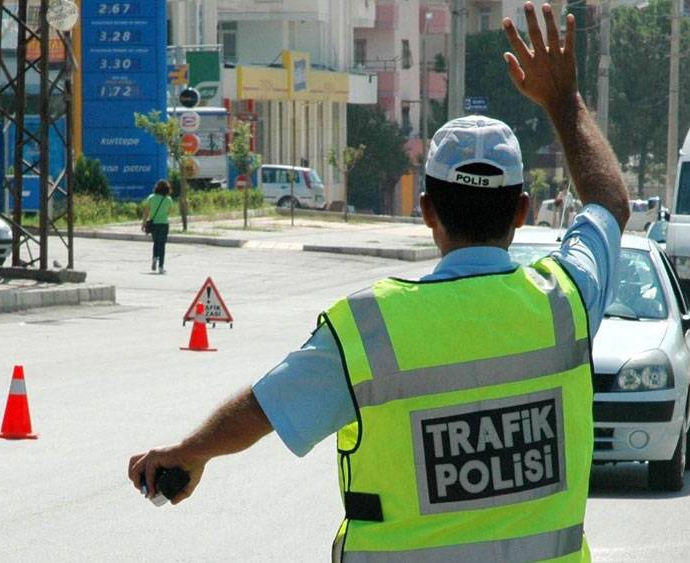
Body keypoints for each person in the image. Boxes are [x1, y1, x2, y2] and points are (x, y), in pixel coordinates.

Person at [128, 3, 630, 560]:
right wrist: (564, 101)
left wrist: (190, 453)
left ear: (426, 211)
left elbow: (265, 408)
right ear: (522, 212)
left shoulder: (370, 329)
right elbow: (609, 203)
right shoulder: (567, 301)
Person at [141, 180, 172, 274]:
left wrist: (143, 223)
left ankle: (155, 257)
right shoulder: (168, 199)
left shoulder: (151, 198)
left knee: (155, 243)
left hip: (153, 224)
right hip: (164, 223)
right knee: (162, 245)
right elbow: (169, 212)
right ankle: (161, 266)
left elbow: (146, 211)